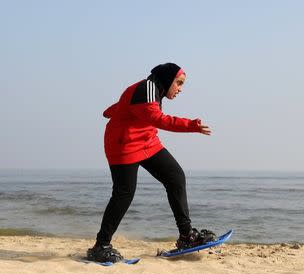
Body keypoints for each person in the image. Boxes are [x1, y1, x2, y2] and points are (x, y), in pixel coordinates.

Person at [87, 63, 216, 263]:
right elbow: (158, 119)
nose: (180, 89)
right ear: (167, 79)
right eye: (179, 83)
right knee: (124, 193)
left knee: (175, 177)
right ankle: (101, 245)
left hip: (147, 141)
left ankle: (186, 236)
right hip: (124, 143)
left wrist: (116, 109)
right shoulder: (148, 88)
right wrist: (191, 125)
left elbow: (131, 108)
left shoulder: (155, 91)